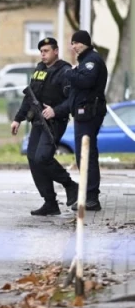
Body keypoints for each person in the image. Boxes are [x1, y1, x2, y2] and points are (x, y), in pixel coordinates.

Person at [10, 37, 79, 216]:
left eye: (46, 51)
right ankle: (50, 202)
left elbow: (72, 100)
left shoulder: (64, 71)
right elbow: (30, 96)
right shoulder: (39, 69)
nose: (43, 54)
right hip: (38, 121)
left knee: (42, 157)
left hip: (55, 122)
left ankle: (70, 185)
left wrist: (56, 111)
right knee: (33, 158)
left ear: (56, 51)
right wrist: (18, 118)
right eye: (41, 51)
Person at [64, 30, 108, 211]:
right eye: (72, 43)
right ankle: (86, 195)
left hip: (89, 113)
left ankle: (91, 197)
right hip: (83, 113)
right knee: (84, 155)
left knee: (87, 155)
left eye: (76, 43)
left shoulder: (91, 61)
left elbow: (86, 82)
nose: (73, 46)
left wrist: (70, 73)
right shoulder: (84, 61)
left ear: (85, 43)